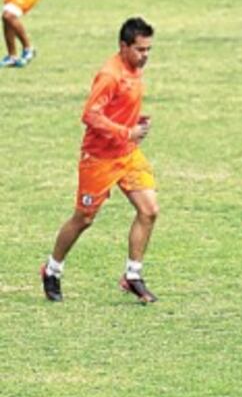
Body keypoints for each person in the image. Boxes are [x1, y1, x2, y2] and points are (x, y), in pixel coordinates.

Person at [41, 18, 160, 303]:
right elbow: (90, 115)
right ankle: (52, 269)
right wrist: (126, 130)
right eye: (140, 50)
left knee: (149, 210)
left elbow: (119, 108)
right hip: (99, 158)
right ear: (123, 46)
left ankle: (133, 276)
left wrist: (134, 122)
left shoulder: (134, 69)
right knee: (84, 218)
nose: (145, 56)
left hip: (127, 154)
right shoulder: (110, 74)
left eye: (148, 50)